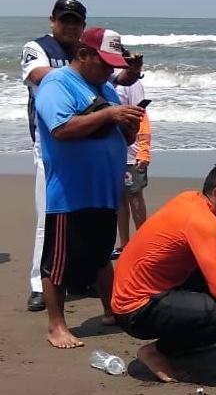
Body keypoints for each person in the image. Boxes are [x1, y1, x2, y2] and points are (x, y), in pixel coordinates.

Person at [34, 27, 143, 348]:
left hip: (103, 191)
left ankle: (112, 311)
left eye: (114, 64)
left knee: (99, 254)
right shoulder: (57, 83)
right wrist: (110, 113)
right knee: (58, 261)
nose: (110, 70)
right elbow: (61, 129)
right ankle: (56, 326)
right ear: (83, 55)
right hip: (71, 191)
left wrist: (128, 128)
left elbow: (120, 137)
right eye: (105, 63)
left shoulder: (105, 87)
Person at [111, 163, 216, 383]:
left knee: (214, 266)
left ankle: (186, 341)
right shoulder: (204, 222)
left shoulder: (191, 199)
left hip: (137, 295)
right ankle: (157, 351)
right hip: (136, 310)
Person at [21, 0, 87, 312]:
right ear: (52, 21)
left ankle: (76, 277)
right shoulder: (37, 47)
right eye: (65, 20)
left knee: (84, 215)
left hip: (85, 143)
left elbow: (113, 80)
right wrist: (88, 74)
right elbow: (39, 76)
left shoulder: (85, 52)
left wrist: (128, 72)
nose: (70, 26)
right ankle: (38, 284)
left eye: (76, 21)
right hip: (49, 147)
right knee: (48, 216)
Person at [114, 51, 152, 255]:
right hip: (113, 151)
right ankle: (125, 243)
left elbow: (142, 115)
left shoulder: (133, 83)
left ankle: (142, 242)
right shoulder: (108, 80)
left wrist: (144, 152)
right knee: (119, 199)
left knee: (135, 196)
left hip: (132, 151)